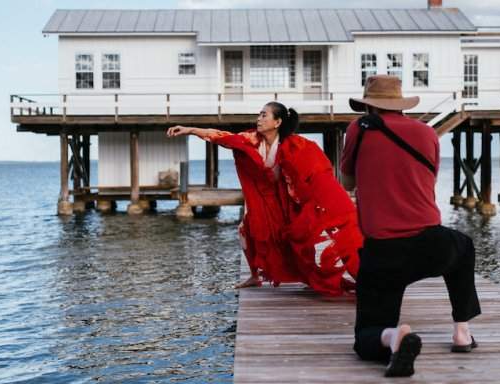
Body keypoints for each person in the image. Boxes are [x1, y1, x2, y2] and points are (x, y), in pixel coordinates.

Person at [340, 75, 482, 377]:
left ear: (369, 106)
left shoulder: (359, 130)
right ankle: (461, 332)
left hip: (382, 252)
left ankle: (393, 338)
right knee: (464, 247)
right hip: (429, 244)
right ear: (400, 103)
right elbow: (426, 180)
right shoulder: (427, 133)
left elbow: (348, 182)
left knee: (366, 335)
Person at [166, 102, 360, 296]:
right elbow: (221, 136)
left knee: (299, 237)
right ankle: (254, 275)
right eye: (259, 115)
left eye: (264, 115)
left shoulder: (297, 145)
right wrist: (190, 130)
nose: (259, 119)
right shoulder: (251, 139)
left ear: (277, 122)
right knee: (246, 230)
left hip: (289, 199)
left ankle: (337, 273)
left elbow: (317, 173)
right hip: (264, 198)